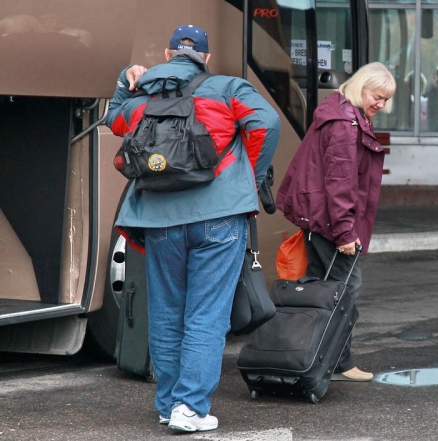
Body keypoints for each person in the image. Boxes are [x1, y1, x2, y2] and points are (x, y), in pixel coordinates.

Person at [106, 25, 280, 432]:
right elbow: (267, 122)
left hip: (160, 220)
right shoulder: (228, 89)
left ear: (169, 55)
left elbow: (114, 119)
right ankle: (191, 407)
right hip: (219, 217)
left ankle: (169, 405)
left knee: (166, 313)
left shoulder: (143, 99)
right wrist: (249, 179)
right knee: (207, 314)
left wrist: (124, 79)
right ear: (206, 58)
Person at [276, 62, 396, 381]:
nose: (381, 104)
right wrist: (345, 232)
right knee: (344, 287)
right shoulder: (346, 124)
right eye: (377, 96)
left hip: (319, 217)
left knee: (322, 287)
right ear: (361, 87)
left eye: (386, 99)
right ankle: (339, 361)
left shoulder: (341, 112)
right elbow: (340, 184)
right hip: (330, 221)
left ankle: (314, 356)